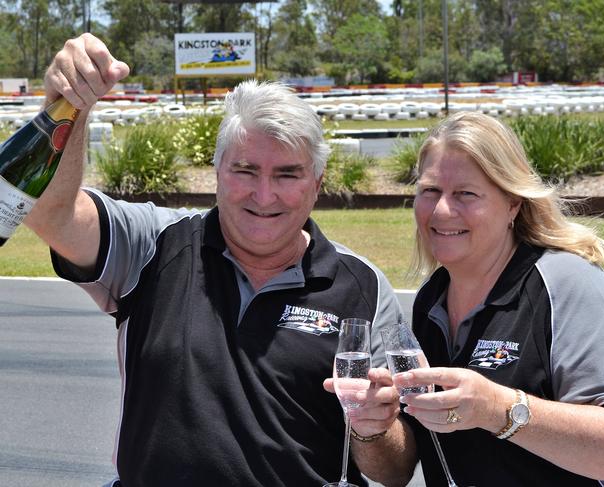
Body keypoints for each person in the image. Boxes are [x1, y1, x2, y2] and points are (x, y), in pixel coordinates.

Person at [25, 34, 403, 487]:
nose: (264, 196)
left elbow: (395, 473)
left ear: (316, 183)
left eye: (287, 174)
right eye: (245, 171)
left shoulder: (363, 286)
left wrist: (371, 431)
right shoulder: (154, 244)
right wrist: (68, 105)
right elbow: (52, 215)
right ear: (218, 171)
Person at [325, 111, 604, 486]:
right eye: (430, 191)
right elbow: (412, 463)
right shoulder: (432, 300)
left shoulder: (569, 284)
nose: (442, 210)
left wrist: (498, 409)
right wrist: (374, 426)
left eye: (466, 193)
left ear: (513, 202)